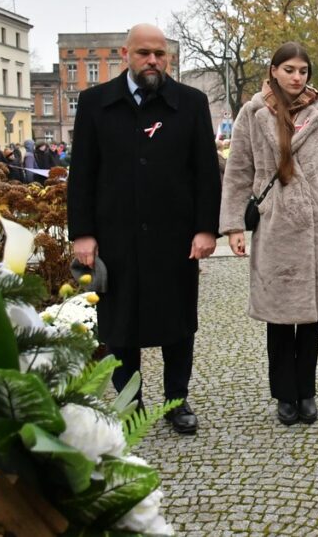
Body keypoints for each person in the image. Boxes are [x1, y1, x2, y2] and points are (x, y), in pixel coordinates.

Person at [67, 24, 221, 435]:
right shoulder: (96, 102)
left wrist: (206, 229)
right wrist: (82, 233)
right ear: (126, 54)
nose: (153, 61)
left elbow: (206, 173)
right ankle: (128, 403)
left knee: (178, 323)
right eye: (144, 53)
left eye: (160, 53)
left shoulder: (190, 103)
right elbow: (82, 173)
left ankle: (176, 401)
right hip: (115, 236)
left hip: (175, 237)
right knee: (120, 326)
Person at [219, 43, 318, 426]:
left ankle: (306, 392)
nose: (296, 77)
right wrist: (233, 225)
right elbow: (238, 171)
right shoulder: (253, 112)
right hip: (274, 219)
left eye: (303, 71)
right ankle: (284, 394)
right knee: (279, 315)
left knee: (310, 316)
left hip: (316, 219)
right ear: (273, 71)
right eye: (289, 69)